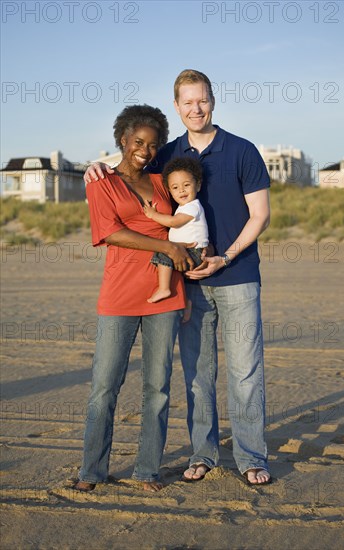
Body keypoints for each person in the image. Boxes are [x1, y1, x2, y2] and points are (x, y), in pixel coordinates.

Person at [84, 69, 272, 486]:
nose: (196, 108)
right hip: (188, 283)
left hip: (237, 275)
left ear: (213, 100)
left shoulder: (242, 151)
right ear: (177, 106)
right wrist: (91, 167)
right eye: (187, 102)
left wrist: (225, 257)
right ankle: (204, 454)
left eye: (202, 100)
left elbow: (260, 215)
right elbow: (124, 171)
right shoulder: (165, 155)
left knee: (244, 372)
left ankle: (251, 456)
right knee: (197, 374)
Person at [74, 104, 196, 494]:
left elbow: (184, 228)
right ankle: (91, 471)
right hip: (120, 294)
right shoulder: (101, 181)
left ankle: (147, 471)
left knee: (158, 387)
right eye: (137, 141)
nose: (144, 149)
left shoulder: (163, 182)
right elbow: (110, 232)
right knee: (104, 386)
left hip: (166, 295)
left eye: (152, 143)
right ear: (122, 140)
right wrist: (162, 244)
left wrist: (186, 283)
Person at [143, 157, 209, 315]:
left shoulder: (193, 207)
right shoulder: (184, 206)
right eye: (175, 187)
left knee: (163, 254)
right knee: (177, 276)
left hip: (195, 252)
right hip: (189, 251)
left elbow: (174, 222)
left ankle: (164, 289)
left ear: (198, 185)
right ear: (170, 191)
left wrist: (153, 215)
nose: (182, 191)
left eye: (187, 185)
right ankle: (185, 303)